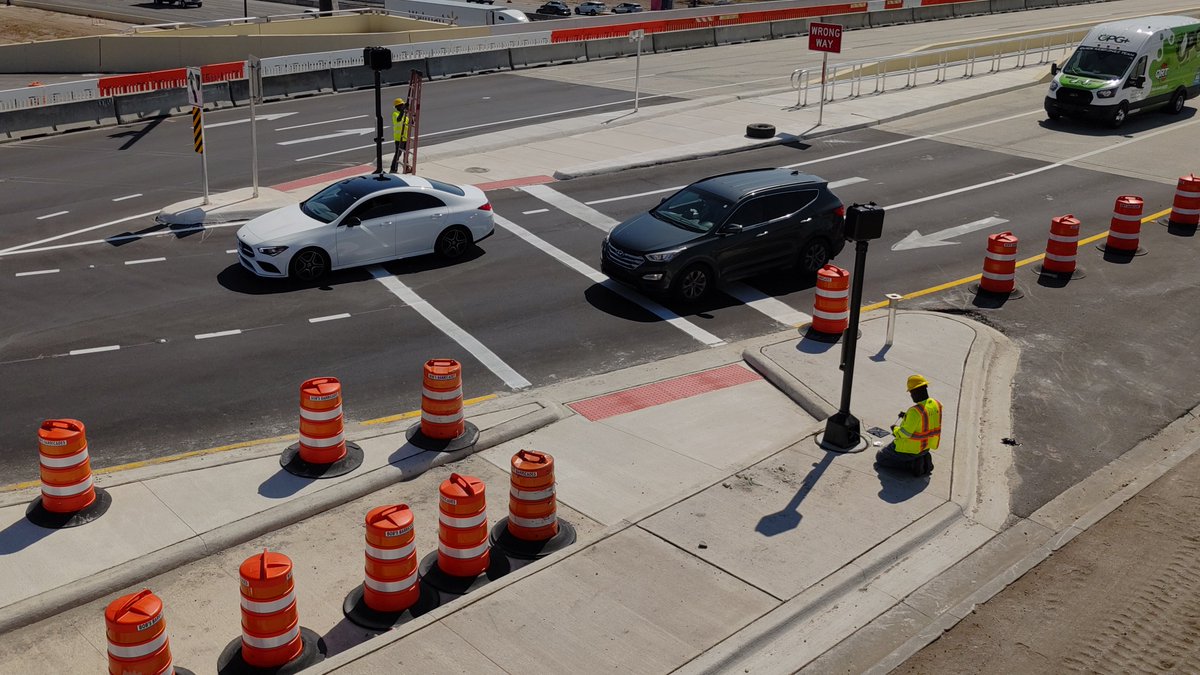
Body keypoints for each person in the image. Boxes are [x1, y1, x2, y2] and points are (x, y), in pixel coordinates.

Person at [876, 374, 942, 476]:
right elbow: (926, 419)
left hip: (910, 449)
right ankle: (923, 459)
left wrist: (895, 429)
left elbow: (905, 433)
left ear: (914, 392)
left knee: (881, 457)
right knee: (911, 453)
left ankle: (912, 465)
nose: (911, 396)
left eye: (911, 393)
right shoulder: (936, 404)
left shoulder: (915, 411)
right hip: (925, 447)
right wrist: (906, 416)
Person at [389, 97, 410, 174]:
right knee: (398, 154)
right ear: (397, 107)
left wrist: (409, 111)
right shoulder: (395, 114)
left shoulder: (405, 115)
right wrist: (403, 110)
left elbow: (410, 123)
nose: (402, 106)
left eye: (402, 105)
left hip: (405, 137)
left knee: (406, 153)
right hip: (399, 138)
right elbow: (399, 119)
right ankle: (393, 169)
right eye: (401, 105)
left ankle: (406, 168)